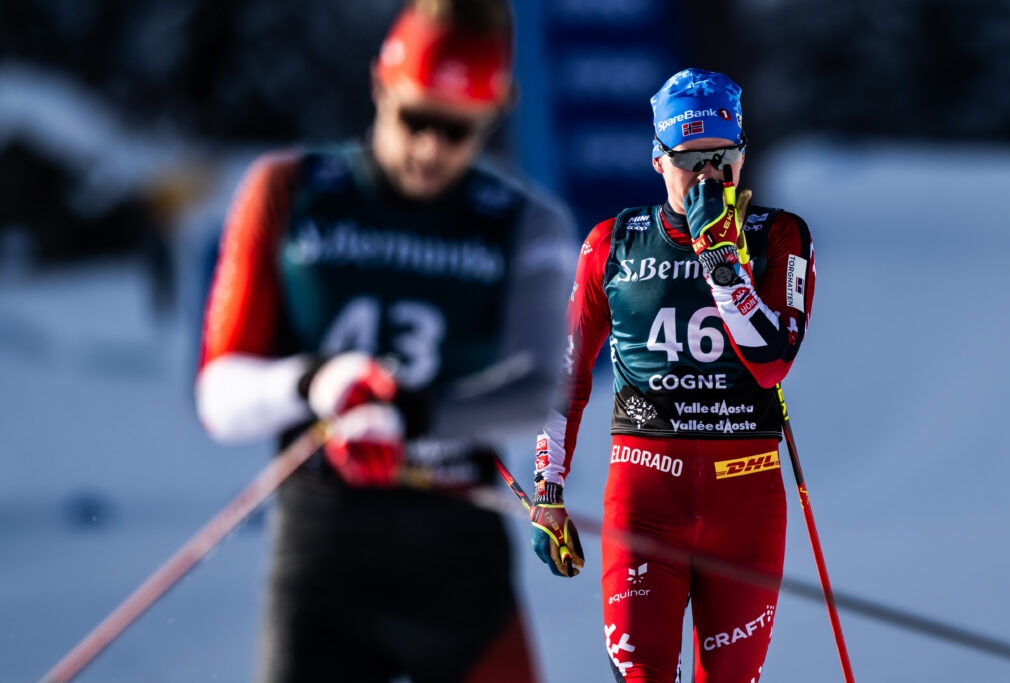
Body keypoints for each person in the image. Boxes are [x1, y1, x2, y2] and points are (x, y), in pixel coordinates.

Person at [194, 1, 576, 681]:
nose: (431, 147)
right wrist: (318, 382)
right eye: (416, 118)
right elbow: (220, 394)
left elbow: (538, 391)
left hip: (458, 555)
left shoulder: (525, 224)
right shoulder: (288, 190)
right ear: (381, 84)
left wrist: (412, 414)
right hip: (324, 554)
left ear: (497, 112)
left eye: (457, 130)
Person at [529, 68, 816, 682]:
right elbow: (568, 375)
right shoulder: (614, 242)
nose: (711, 177)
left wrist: (723, 262)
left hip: (746, 493)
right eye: (692, 160)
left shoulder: (777, 236)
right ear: (659, 160)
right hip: (647, 495)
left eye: (723, 159)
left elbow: (771, 363)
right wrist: (548, 489)